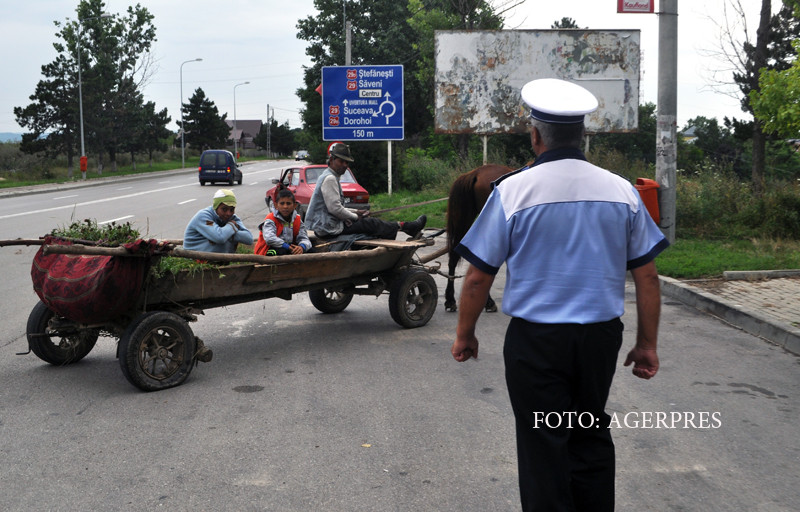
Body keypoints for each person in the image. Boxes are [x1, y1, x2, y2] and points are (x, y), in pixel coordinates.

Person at [450, 78, 670, 512]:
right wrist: (646, 344)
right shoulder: (621, 191)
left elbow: (477, 279)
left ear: (535, 137)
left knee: (541, 445)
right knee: (588, 432)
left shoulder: (512, 191)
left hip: (536, 344)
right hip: (598, 340)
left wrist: (465, 334)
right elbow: (648, 278)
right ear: (582, 134)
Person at [304, 142, 427, 240]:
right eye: (341, 161)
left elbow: (335, 207)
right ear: (331, 161)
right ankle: (407, 227)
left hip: (326, 226)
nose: (345, 165)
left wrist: (357, 211)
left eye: (347, 162)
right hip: (328, 229)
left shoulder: (329, 176)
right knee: (371, 223)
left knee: (369, 222)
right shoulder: (330, 178)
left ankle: (406, 227)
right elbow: (335, 209)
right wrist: (355, 217)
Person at [183, 188, 253, 253]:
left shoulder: (233, 218)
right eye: (224, 209)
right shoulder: (204, 216)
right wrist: (231, 226)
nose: (228, 213)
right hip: (195, 258)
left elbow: (249, 239)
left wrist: (228, 234)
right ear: (216, 207)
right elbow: (220, 238)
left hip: (219, 260)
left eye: (232, 210)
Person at [254, 188, 312, 256]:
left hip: (290, 247)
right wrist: (287, 247)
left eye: (288, 203)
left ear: (294, 206)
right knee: (282, 251)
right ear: (276, 205)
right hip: (269, 249)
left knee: (311, 250)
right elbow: (269, 238)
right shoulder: (270, 219)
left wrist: (301, 247)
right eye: (282, 203)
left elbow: (304, 238)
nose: (285, 207)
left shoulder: (297, 219)